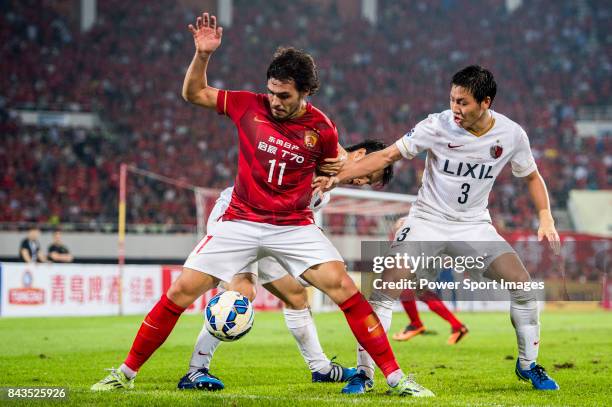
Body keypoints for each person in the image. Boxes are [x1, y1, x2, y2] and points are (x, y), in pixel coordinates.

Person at [92, 13, 433, 397]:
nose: (274, 101)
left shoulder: (321, 130)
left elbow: (334, 161)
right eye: (271, 91)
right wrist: (203, 56)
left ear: (305, 92)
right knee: (179, 293)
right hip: (239, 219)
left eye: (284, 95)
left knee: (345, 291)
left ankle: (394, 378)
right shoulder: (247, 105)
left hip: (293, 226)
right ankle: (124, 373)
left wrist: (332, 174)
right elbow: (194, 94)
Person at [315, 65, 560, 392]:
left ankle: (528, 365)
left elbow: (531, 175)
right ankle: (364, 373)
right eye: (452, 100)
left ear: (485, 102)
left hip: (474, 227)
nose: (455, 109)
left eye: (463, 102)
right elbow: (388, 154)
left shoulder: (512, 134)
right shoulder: (436, 125)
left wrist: (545, 215)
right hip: (426, 221)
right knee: (384, 290)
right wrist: (339, 177)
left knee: (524, 288)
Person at [178, 140, 394, 390]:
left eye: (367, 182)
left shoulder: (323, 192)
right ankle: (196, 370)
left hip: (270, 228)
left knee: (295, 295)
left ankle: (321, 368)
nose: (360, 182)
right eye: (368, 174)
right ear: (360, 155)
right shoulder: (318, 151)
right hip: (240, 217)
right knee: (242, 290)